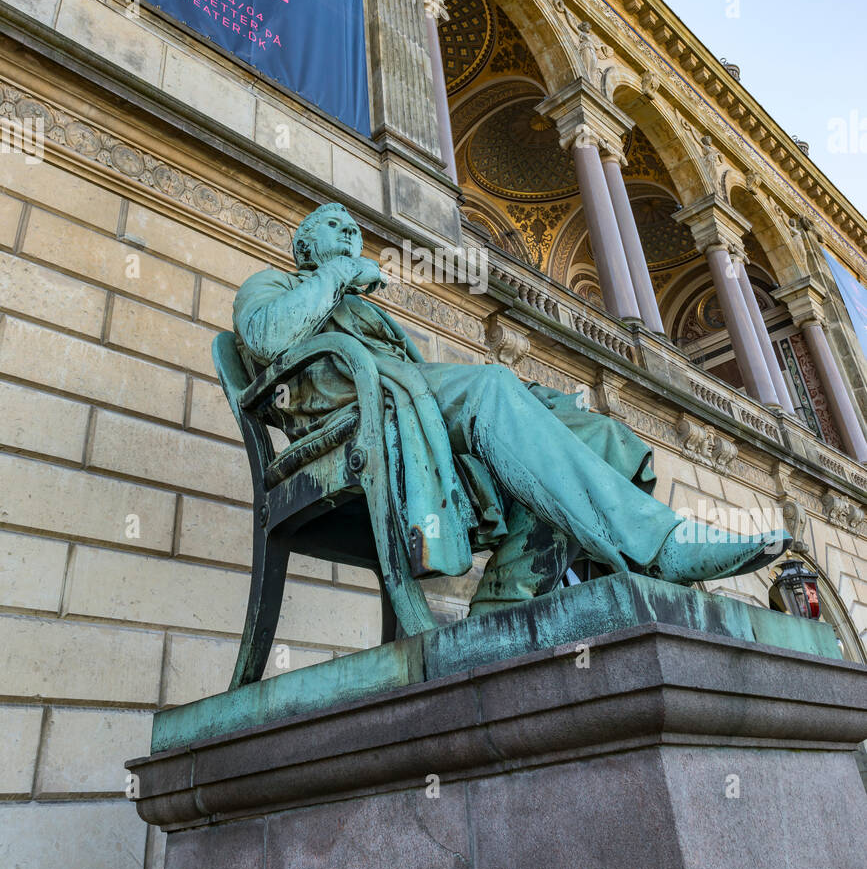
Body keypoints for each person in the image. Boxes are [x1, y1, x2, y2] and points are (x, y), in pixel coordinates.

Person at [232, 203, 789, 613]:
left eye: (355, 231)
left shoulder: (368, 314)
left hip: (400, 407)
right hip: (349, 426)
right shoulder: (272, 283)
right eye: (336, 227)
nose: (352, 236)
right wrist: (335, 276)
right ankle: (661, 543)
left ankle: (505, 600)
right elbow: (263, 338)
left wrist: (540, 405)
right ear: (305, 248)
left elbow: (425, 388)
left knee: (594, 433)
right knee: (492, 386)